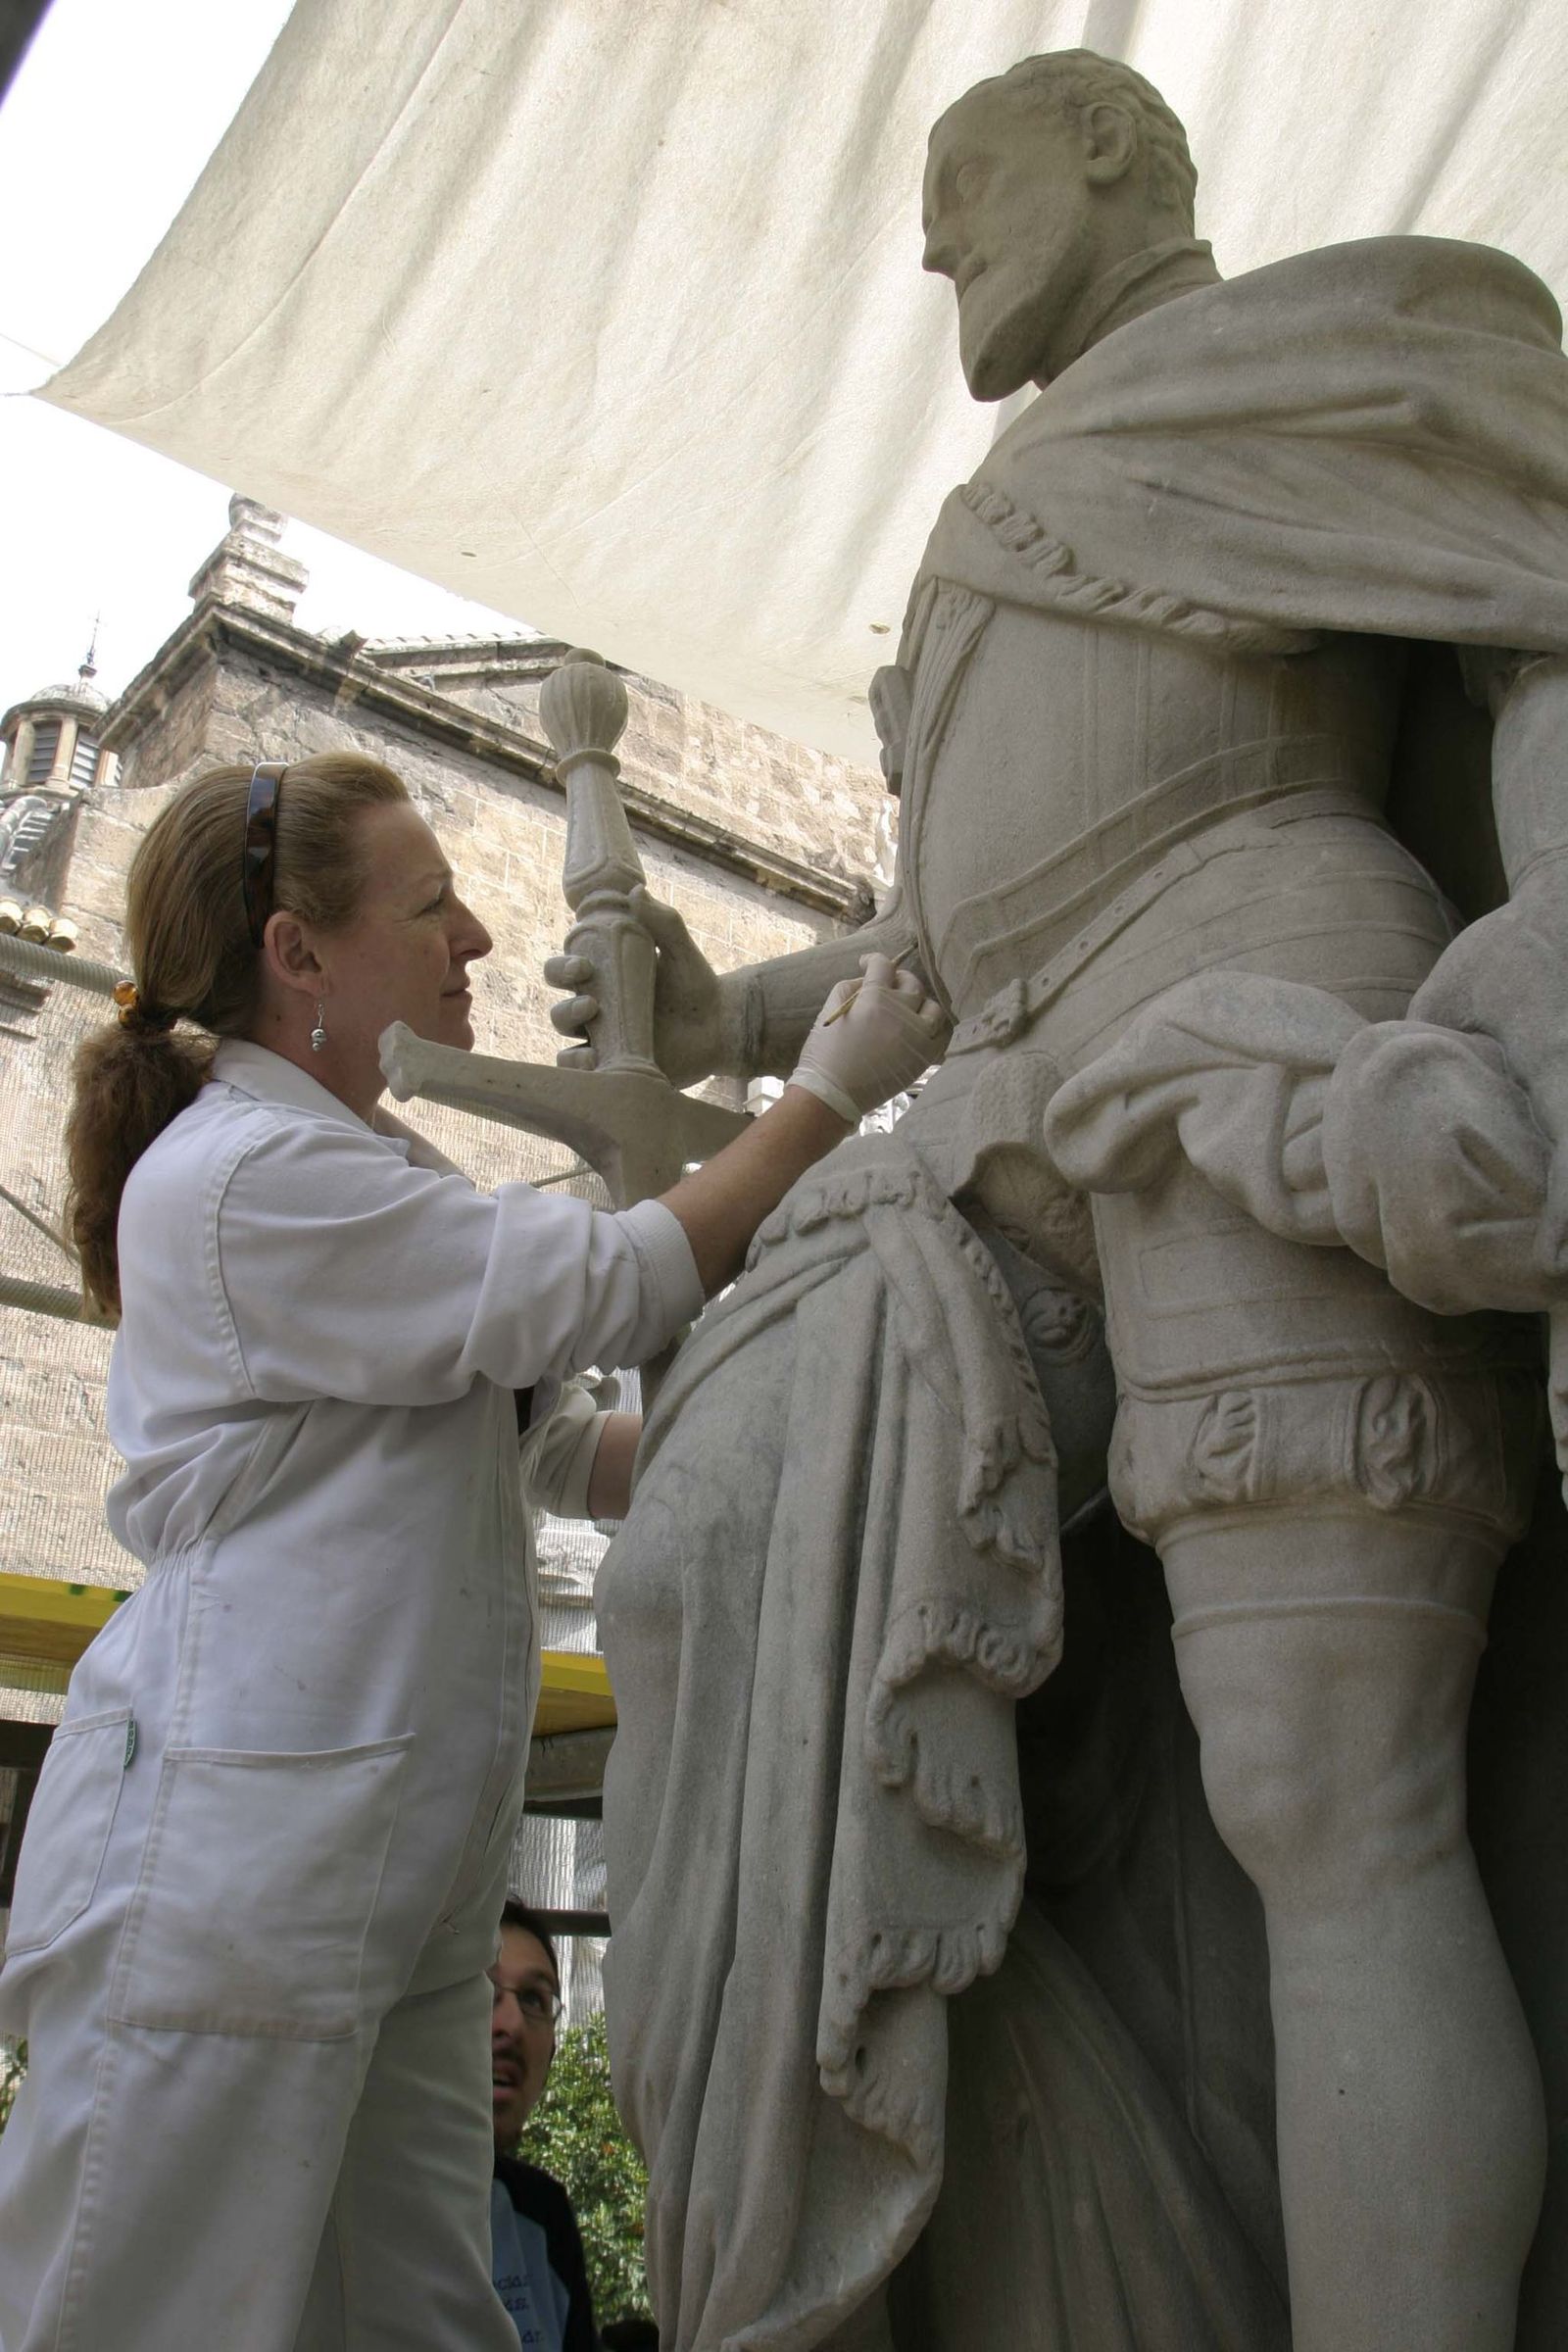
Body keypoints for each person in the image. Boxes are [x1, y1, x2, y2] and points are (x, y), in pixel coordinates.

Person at [553, 49, 1568, 2352]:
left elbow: (1542, 609)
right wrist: (720, 1005)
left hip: (1261, 1018)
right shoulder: (1001, 516)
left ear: (1109, 147)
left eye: (964, 182)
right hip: (996, 1115)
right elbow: (943, 930)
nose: (932, 244)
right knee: (708, 1537)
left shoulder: (1334, 339)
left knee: (1328, 1780)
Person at [0, 751, 946, 2352]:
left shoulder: (372, 1169)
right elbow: (611, 1283)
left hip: (395, 1845)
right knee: (135, 2309)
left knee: (422, 2314)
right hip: (240, 1840)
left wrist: (796, 1433)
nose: (479, 938)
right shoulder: (241, 1174)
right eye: (431, 903)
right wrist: (827, 1096)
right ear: (299, 952)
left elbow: (554, 1447)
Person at [487, 1901, 597, 2352]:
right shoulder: (351, 2207)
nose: (511, 2024)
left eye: (534, 1999)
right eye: (482, 1988)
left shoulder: (541, 2213)